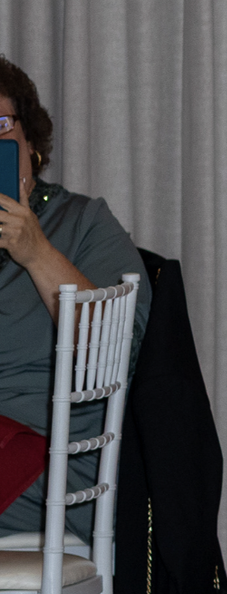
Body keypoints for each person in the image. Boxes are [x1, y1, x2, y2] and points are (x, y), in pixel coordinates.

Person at [0, 57, 150, 539]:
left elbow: (113, 354)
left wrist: (35, 251)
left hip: (46, 469)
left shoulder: (82, 224)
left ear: (30, 141)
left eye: (0, 124)